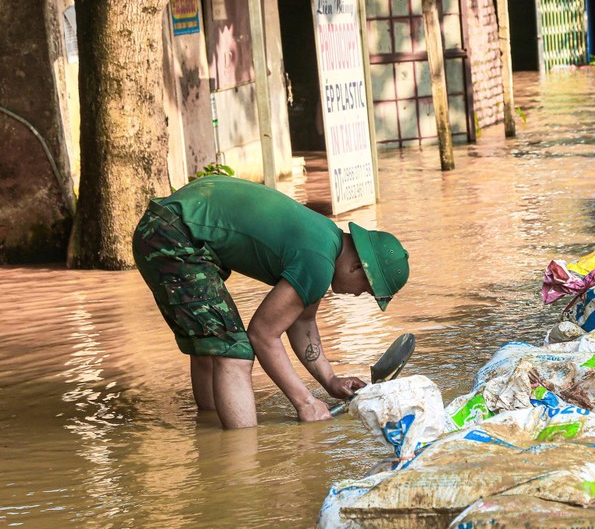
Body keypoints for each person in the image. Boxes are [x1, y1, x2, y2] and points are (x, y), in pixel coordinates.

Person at [132, 175, 410, 430]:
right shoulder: (318, 261)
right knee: (234, 352)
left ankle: (212, 440)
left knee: (211, 347)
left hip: (164, 226)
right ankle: (244, 470)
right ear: (358, 269)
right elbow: (263, 334)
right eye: (367, 290)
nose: (359, 295)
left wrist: (329, 381)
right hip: (174, 237)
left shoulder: (326, 240)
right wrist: (305, 402)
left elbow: (301, 321)